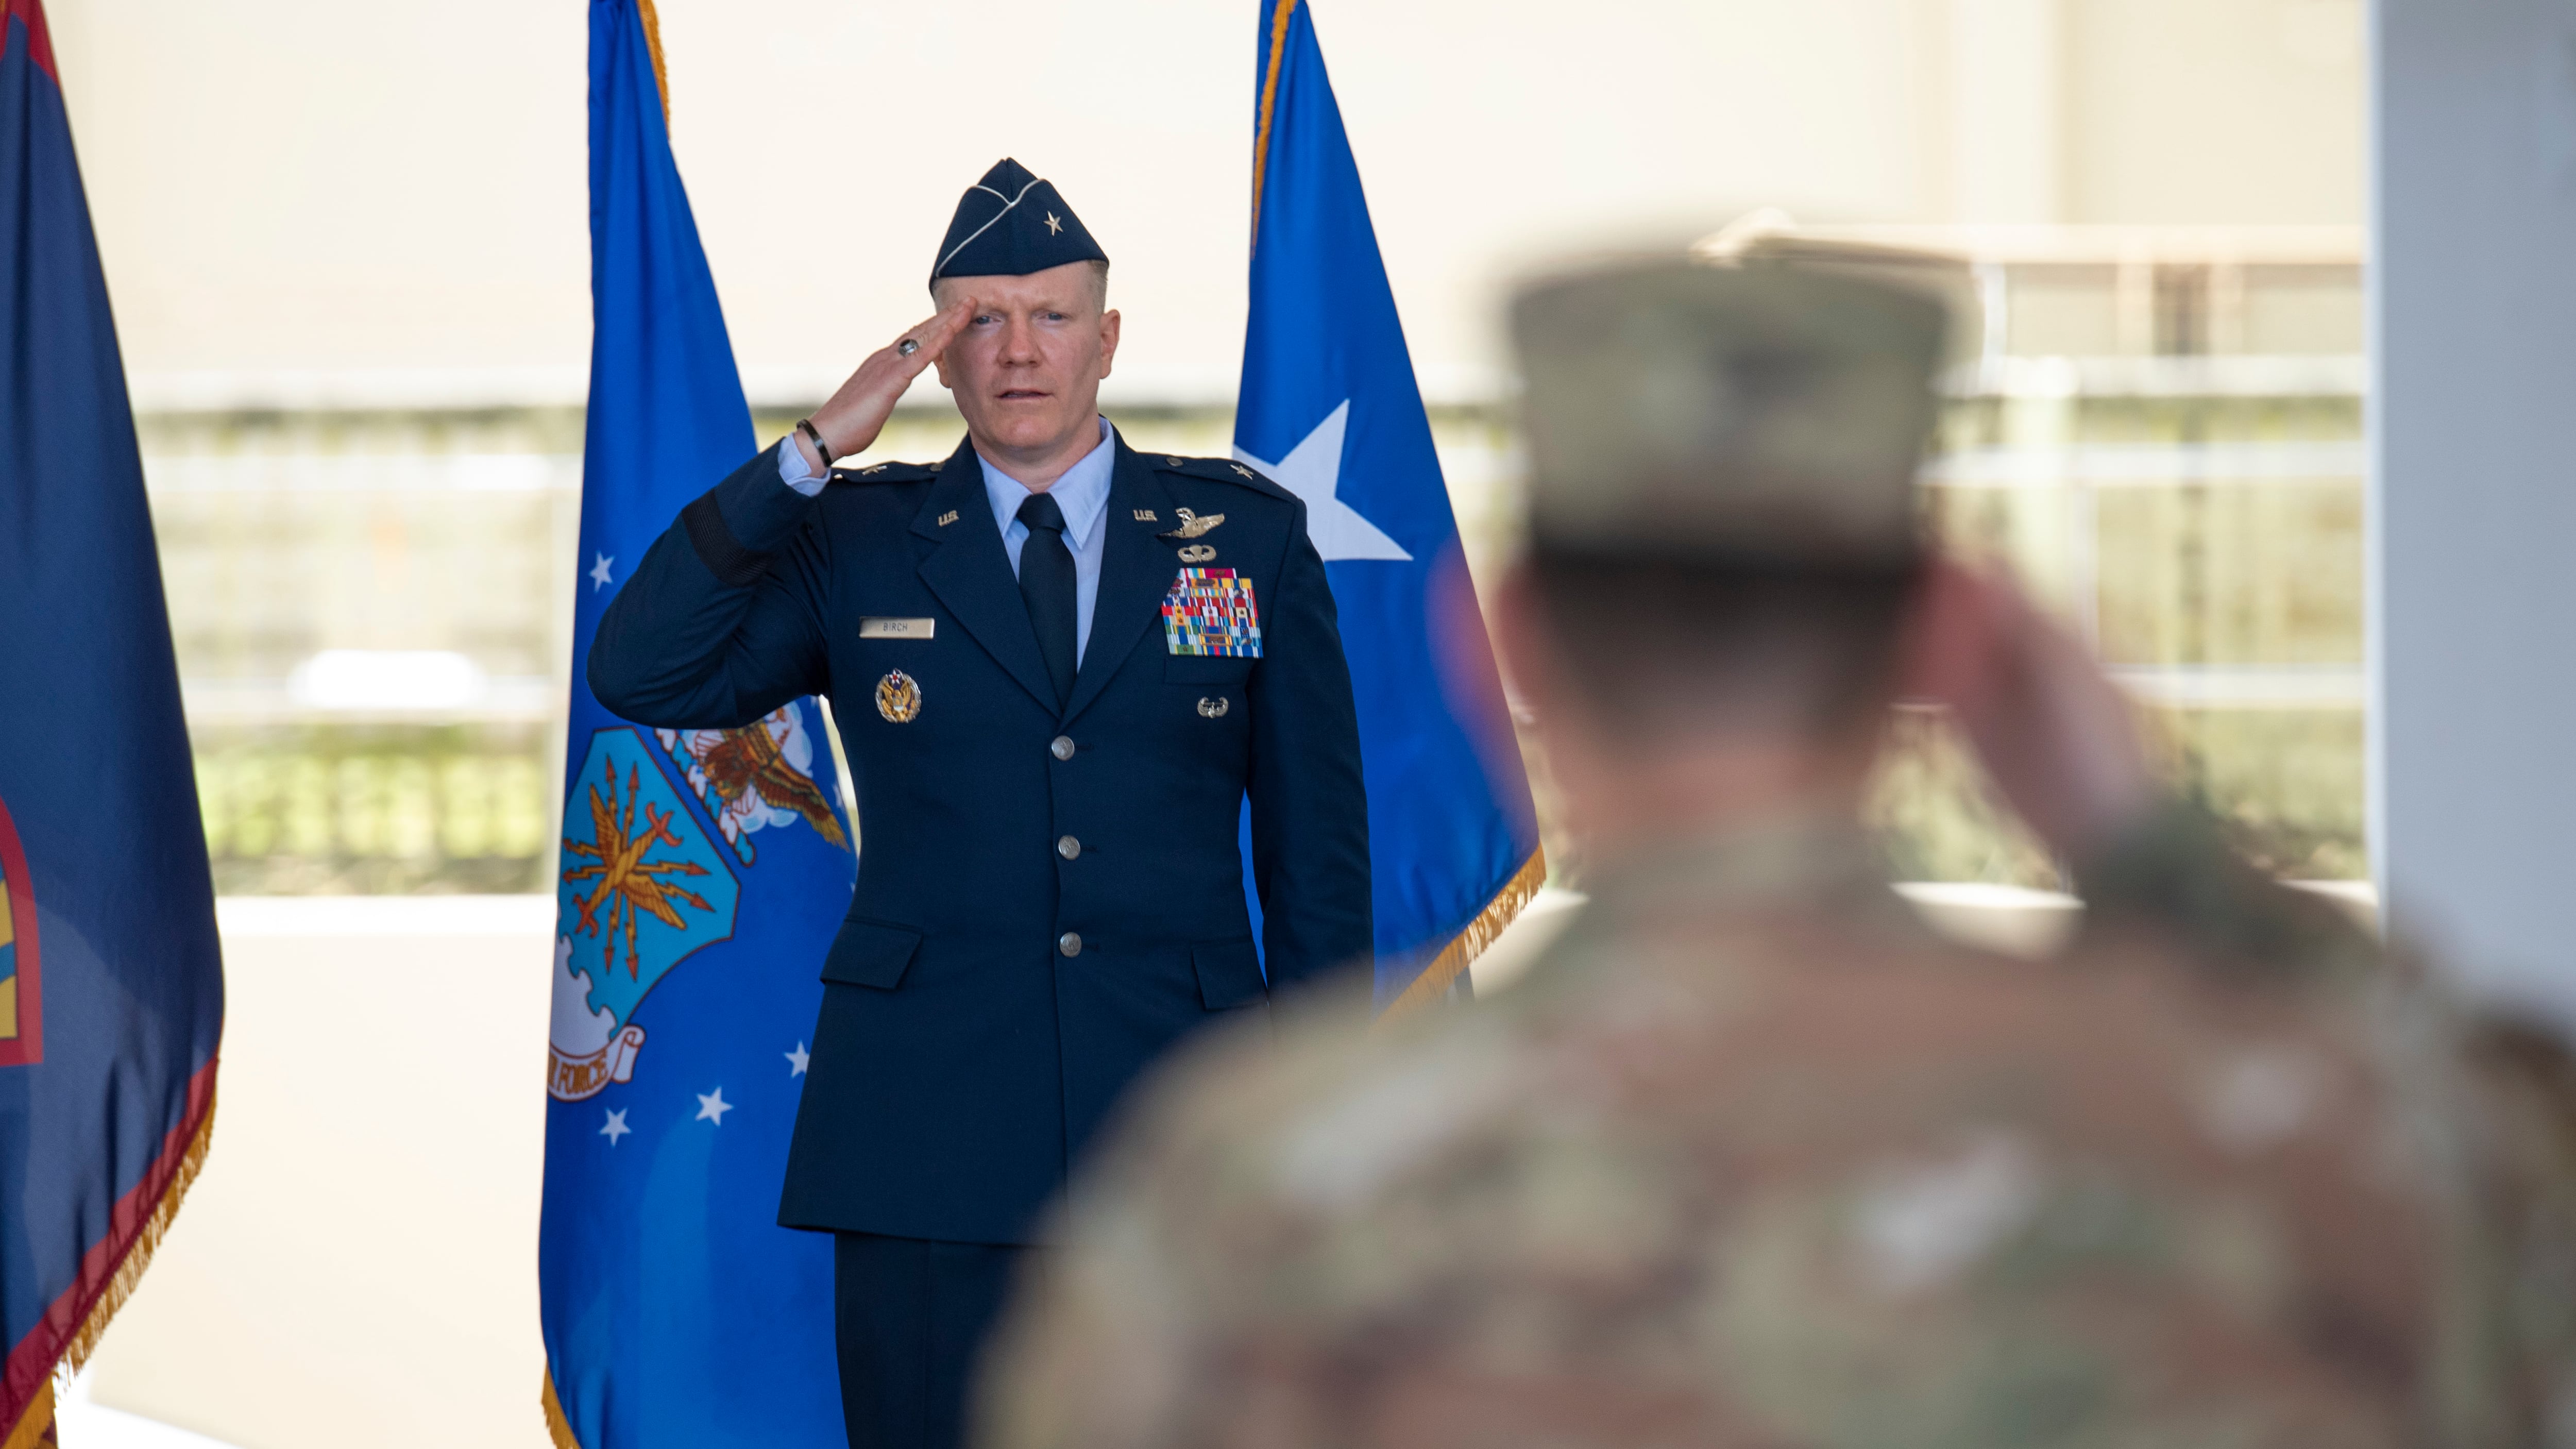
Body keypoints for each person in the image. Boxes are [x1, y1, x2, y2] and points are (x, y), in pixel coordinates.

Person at [974, 256, 2576, 1448]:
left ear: (1496, 640)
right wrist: (2150, 849)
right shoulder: (2283, 1130)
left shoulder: (1272, 1184)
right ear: (1951, 634)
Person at [586, 158, 1372, 1449]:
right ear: (935, 356)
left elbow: (1317, 865)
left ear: (1107, 338)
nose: (1020, 351)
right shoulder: (856, 536)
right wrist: (808, 453)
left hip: (1185, 1130)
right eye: (979, 322)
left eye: (1053, 315)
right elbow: (642, 665)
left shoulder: (1242, 538)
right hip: (922, 1135)